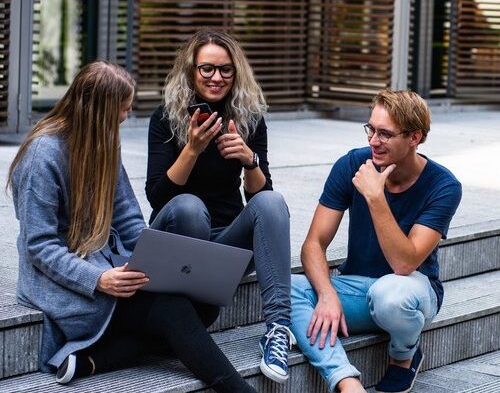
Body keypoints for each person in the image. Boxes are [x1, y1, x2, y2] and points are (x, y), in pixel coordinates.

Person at [7, 60, 257, 392]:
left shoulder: (104, 143)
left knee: (204, 306)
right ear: (98, 110)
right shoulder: (43, 155)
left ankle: (94, 359)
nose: (126, 117)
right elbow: (39, 247)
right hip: (63, 281)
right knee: (173, 310)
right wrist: (98, 279)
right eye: (122, 110)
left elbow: (128, 220)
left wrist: (153, 260)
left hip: (109, 266)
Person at [146, 29, 295, 383]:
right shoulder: (166, 117)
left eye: (226, 70)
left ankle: (277, 329)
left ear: (237, 72)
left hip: (225, 246)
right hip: (177, 238)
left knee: (272, 202)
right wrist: (192, 148)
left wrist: (250, 161)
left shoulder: (249, 117)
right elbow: (157, 197)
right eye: (207, 69)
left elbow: (261, 199)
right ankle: (187, 315)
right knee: (189, 207)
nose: (216, 78)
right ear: (191, 70)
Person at [290, 89, 462, 393]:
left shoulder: (443, 185)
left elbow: (404, 263)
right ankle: (346, 380)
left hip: (411, 290)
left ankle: (403, 357)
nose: (373, 141)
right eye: (371, 129)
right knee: (286, 288)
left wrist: (374, 196)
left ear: (414, 137)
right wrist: (328, 294)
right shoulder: (353, 164)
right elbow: (313, 243)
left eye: (385, 133)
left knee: (390, 294)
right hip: (356, 286)